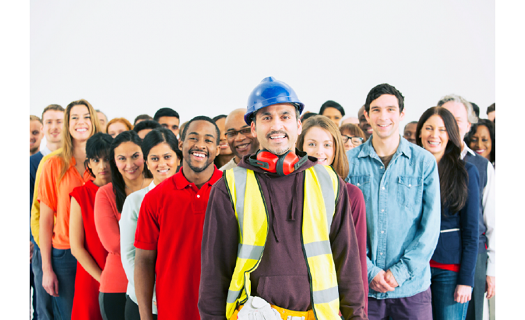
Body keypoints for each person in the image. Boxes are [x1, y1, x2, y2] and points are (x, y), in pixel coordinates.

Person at [199, 77, 366, 320]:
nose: (277, 125)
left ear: (298, 125)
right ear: (254, 128)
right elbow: (214, 274)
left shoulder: (328, 181)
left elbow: (348, 264)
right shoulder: (229, 186)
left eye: (285, 116)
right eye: (266, 117)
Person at [346, 83, 440, 320]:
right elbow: (343, 227)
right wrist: (370, 272)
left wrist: (399, 273)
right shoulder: (349, 162)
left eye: (390, 109)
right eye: (376, 110)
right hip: (364, 289)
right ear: (366, 115)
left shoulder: (424, 162)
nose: (383, 116)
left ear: (402, 114)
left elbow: (429, 229)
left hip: (412, 289)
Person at [134, 116, 222, 320]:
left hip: (224, 311)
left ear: (218, 149)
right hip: (173, 311)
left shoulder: (234, 192)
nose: (200, 145)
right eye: (193, 138)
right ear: (181, 144)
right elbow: (144, 261)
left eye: (208, 140)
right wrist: (146, 316)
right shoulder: (155, 198)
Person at [297, 115, 369, 313]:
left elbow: (356, 261)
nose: (320, 151)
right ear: (299, 147)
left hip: (333, 304)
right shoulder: (289, 192)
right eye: (311, 144)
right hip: (296, 302)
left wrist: (358, 313)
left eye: (327, 144)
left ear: (336, 149)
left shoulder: (352, 195)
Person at [37, 99, 101, 320]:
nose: (80, 122)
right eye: (74, 117)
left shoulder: (106, 163)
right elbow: (45, 221)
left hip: (99, 252)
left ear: (93, 121)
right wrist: (46, 268)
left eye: (86, 117)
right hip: (65, 256)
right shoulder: (52, 165)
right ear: (67, 124)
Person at [416, 107, 480, 320]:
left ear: (451, 135)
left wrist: (466, 280)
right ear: (420, 133)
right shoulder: (409, 169)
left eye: (442, 130)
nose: (434, 135)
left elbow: (472, 233)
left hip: (449, 272)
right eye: (429, 128)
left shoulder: (466, 172)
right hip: (413, 269)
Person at [438, 94, 496, 320]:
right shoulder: (425, 161)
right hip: (438, 259)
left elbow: (492, 223)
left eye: (457, 120)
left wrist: (492, 270)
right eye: (445, 119)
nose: (450, 125)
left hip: (476, 255)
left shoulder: (480, 166)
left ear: (468, 126)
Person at [120, 128, 182, 320]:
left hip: (181, 299)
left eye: (167, 157)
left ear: (178, 158)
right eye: (154, 158)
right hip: (146, 303)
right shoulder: (135, 201)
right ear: (146, 163)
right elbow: (130, 256)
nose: (161, 164)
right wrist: (150, 294)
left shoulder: (192, 198)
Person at [94, 131, 153, 320]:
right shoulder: (105, 194)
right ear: (114, 161)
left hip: (158, 287)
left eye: (136, 156)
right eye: (122, 158)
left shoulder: (160, 188)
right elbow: (113, 244)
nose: (130, 164)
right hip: (117, 286)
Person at [69, 133, 113, 320]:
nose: (102, 166)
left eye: (107, 159)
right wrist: (103, 279)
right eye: (96, 160)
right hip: (91, 276)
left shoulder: (126, 193)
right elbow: (76, 248)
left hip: (121, 276)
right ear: (89, 163)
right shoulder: (81, 195)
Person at [30, 104, 65, 320]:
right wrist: (35, 240)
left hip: (67, 245)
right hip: (41, 244)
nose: (54, 127)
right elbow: (31, 209)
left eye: (59, 121)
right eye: (49, 122)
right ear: (43, 127)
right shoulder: (33, 164)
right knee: (44, 309)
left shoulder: (76, 161)